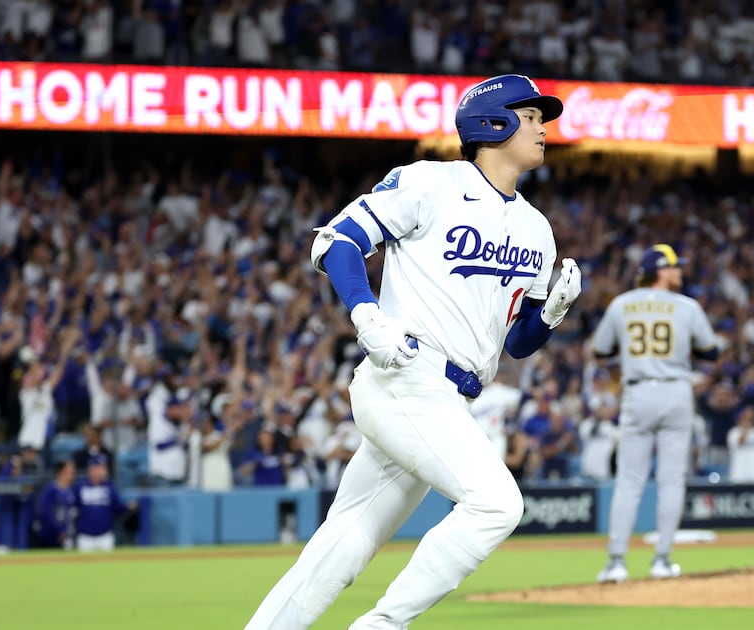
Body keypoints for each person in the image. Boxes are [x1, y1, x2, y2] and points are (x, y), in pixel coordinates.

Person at [246, 74, 580, 629]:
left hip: (450, 399)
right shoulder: (431, 183)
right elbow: (337, 240)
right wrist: (365, 312)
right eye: (530, 116)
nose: (543, 127)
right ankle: (383, 624)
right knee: (498, 504)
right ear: (492, 123)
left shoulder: (537, 228)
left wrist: (550, 314)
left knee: (347, 539)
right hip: (406, 376)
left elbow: (517, 345)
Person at [591, 244, 720, 584]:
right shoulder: (687, 307)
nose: (681, 272)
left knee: (629, 480)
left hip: (638, 390)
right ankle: (662, 559)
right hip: (676, 389)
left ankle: (615, 562)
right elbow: (711, 350)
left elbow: (600, 349)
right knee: (671, 479)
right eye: (676, 267)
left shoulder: (622, 304)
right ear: (661, 270)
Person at [74, 455, 137, 552]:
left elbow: (116, 507)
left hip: (105, 536)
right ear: (92, 469)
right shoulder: (80, 486)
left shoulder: (110, 486)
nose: (104, 471)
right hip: (85, 536)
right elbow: (73, 506)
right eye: (101, 467)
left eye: (104, 467)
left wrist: (127, 506)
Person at [32, 459, 77, 550]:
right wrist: (60, 531)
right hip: (49, 535)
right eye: (69, 470)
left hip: (66, 535)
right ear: (61, 472)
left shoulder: (71, 490)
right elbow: (45, 513)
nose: (72, 473)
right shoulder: (50, 491)